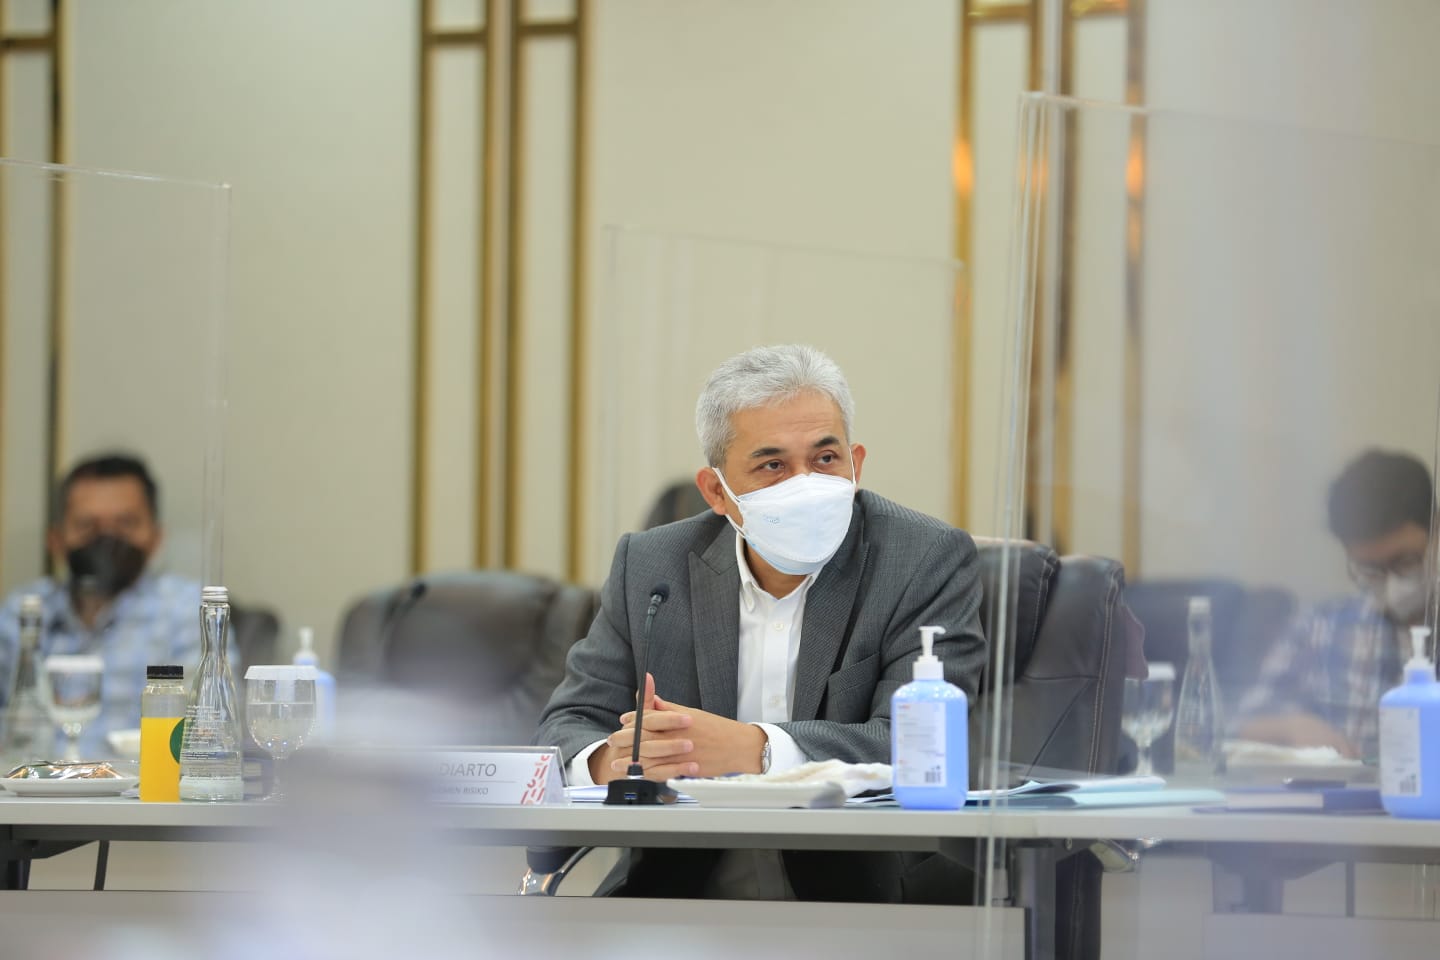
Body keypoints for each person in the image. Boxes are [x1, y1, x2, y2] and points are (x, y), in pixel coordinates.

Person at [536, 344, 986, 901]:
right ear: (716, 491)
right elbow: (567, 724)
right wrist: (619, 761)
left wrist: (756, 749)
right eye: (772, 465)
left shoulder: (923, 558)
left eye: (825, 458)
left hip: (865, 897)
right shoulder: (653, 565)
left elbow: (922, 743)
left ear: (856, 464)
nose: (805, 483)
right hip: (678, 895)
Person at [1235, 449, 1434, 760]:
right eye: (1370, 570)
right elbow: (1240, 724)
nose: (1392, 585)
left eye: (1406, 562)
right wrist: (1291, 727)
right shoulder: (1322, 626)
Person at [0, 453, 201, 755]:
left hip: (143, 782)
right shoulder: (23, 612)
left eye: (126, 524)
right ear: (55, 539)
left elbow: (204, 732)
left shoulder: (185, 610)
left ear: (156, 537)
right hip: (37, 781)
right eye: (87, 525)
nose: (107, 539)